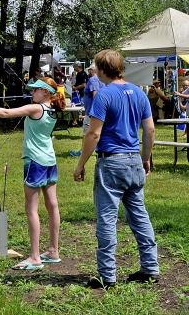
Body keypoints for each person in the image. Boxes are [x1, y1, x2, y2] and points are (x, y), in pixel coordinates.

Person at [73, 49, 159, 289]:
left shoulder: (103, 95)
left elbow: (94, 133)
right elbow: (150, 130)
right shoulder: (139, 94)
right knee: (140, 216)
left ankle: (107, 275)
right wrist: (145, 158)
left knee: (107, 219)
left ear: (101, 69)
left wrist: (81, 164)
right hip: (133, 160)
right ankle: (150, 268)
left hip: (111, 162)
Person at [0, 77, 64, 268]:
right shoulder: (52, 109)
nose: (31, 93)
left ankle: (35, 257)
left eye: (35, 90)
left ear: (45, 92)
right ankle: (53, 250)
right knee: (52, 206)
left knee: (31, 210)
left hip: (35, 162)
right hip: (50, 161)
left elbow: (5, 112)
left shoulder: (37, 108)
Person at [70, 64, 105, 157]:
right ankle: (100, 151)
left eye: (90, 70)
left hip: (91, 112)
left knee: (87, 133)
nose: (89, 71)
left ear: (94, 70)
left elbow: (95, 95)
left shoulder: (94, 80)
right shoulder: (103, 80)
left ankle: (83, 152)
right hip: (98, 112)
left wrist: (94, 112)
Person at [70, 61, 88, 127]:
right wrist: (74, 86)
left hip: (83, 94)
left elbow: (84, 84)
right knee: (73, 107)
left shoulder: (83, 74)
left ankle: (84, 122)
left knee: (83, 108)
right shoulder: (78, 74)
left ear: (77, 66)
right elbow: (78, 83)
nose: (73, 68)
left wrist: (76, 88)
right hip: (78, 94)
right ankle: (75, 121)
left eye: (74, 66)